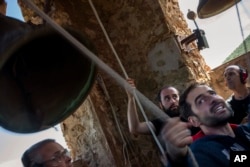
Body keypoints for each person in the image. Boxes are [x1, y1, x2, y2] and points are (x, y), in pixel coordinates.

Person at [161, 83, 250, 167]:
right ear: (194, 121)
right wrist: (176, 158)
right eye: (201, 101)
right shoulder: (203, 152)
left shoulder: (245, 129)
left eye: (212, 93)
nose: (213, 99)